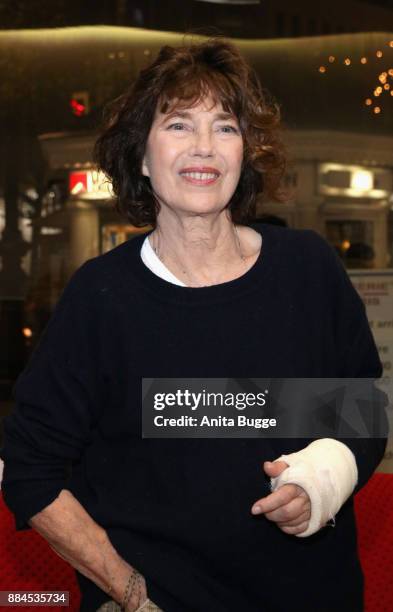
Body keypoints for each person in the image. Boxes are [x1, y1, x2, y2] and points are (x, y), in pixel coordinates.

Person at [0, 39, 388, 612]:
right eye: (179, 125)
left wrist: (321, 479)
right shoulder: (102, 298)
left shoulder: (307, 270)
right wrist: (131, 593)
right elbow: (29, 467)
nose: (204, 147)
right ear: (140, 154)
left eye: (225, 127)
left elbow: (363, 410)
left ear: (245, 153)